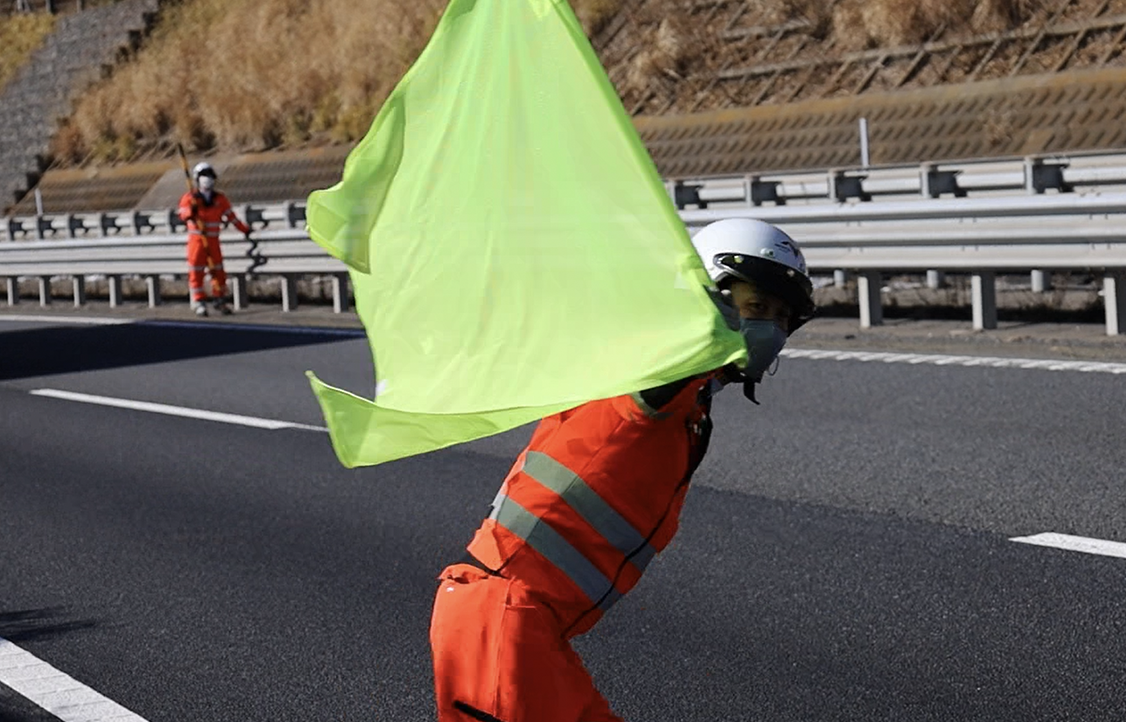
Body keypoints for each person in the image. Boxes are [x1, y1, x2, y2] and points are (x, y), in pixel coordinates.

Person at [429, 218, 817, 722]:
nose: (772, 328)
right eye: (756, 306)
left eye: (783, 317)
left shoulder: (690, 411)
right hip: (500, 624)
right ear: (708, 298)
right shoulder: (655, 369)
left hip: (527, 629)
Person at [177, 162, 251, 317]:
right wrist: (192, 210)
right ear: (197, 178)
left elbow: (231, 217)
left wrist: (245, 230)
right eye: (205, 175)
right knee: (196, 272)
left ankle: (219, 300)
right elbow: (183, 214)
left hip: (213, 241)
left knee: (218, 271)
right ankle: (199, 302)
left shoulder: (220, 199)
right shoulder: (190, 198)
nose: (208, 179)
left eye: (210, 175)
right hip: (197, 241)